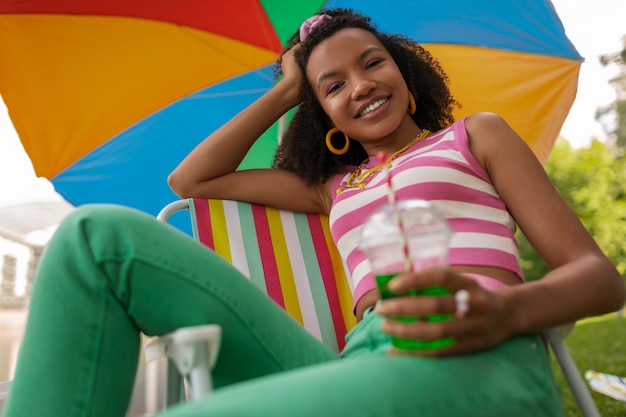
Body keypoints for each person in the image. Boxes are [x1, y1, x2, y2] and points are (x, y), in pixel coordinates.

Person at [4, 9, 624, 417]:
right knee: (97, 237)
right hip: (359, 360)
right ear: (321, 112)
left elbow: (600, 279)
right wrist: (284, 88)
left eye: (372, 62)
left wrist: (504, 310)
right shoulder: (331, 187)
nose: (358, 85)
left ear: (404, 73)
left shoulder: (474, 136)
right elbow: (191, 179)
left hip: (478, 353)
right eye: (331, 86)